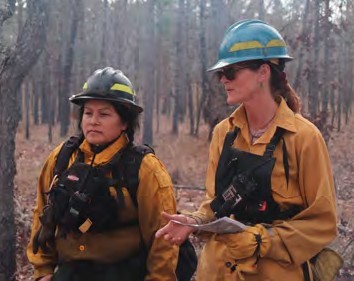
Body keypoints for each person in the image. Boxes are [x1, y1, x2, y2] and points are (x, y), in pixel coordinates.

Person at [156, 19, 338, 280]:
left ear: (263, 72)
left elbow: (323, 224)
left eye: (231, 72)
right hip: (216, 271)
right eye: (220, 73)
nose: (223, 80)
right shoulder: (223, 133)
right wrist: (195, 222)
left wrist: (260, 240)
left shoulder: (304, 138)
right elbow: (215, 205)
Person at [27, 67, 178, 281]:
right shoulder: (61, 158)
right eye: (88, 113)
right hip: (69, 272)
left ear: (124, 122)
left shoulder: (145, 168)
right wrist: (43, 271)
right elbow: (42, 214)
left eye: (104, 114)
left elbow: (163, 240)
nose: (93, 121)